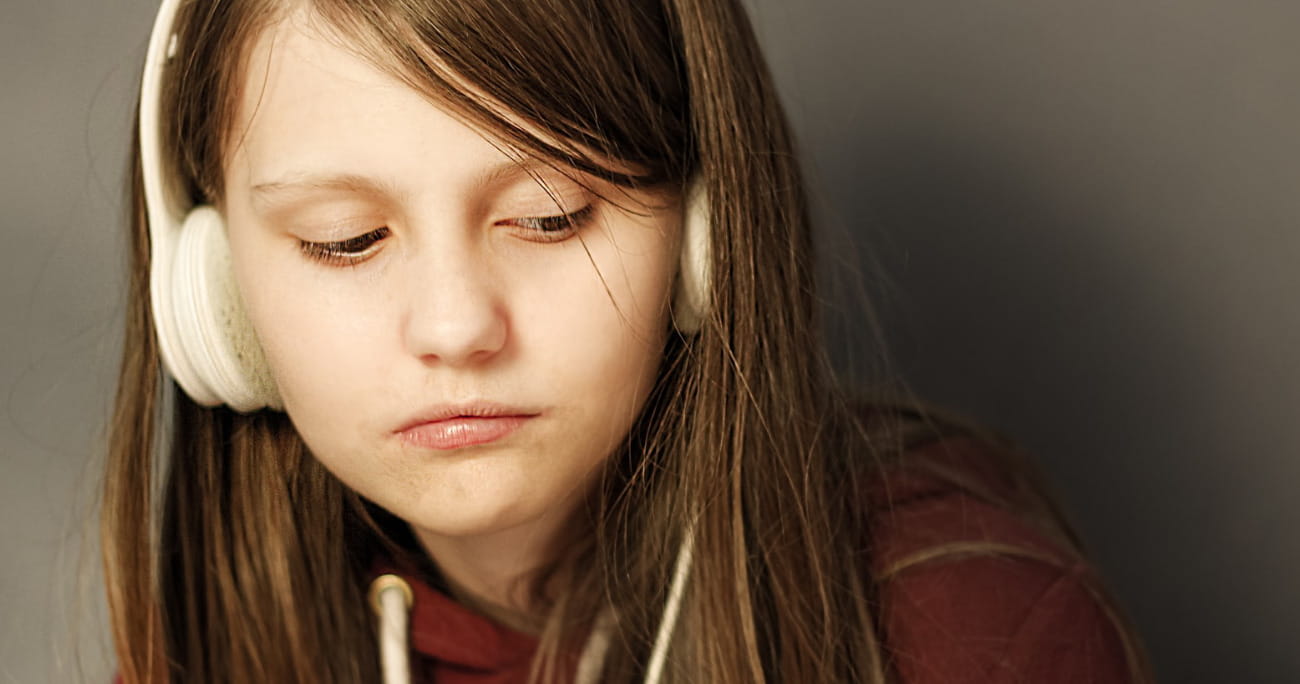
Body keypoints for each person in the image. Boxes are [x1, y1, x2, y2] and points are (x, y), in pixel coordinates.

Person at [102, 0, 1155, 682]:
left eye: (552, 216)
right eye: (347, 240)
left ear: (701, 240)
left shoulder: (974, 633)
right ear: (218, 293)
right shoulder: (199, 652)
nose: (456, 325)